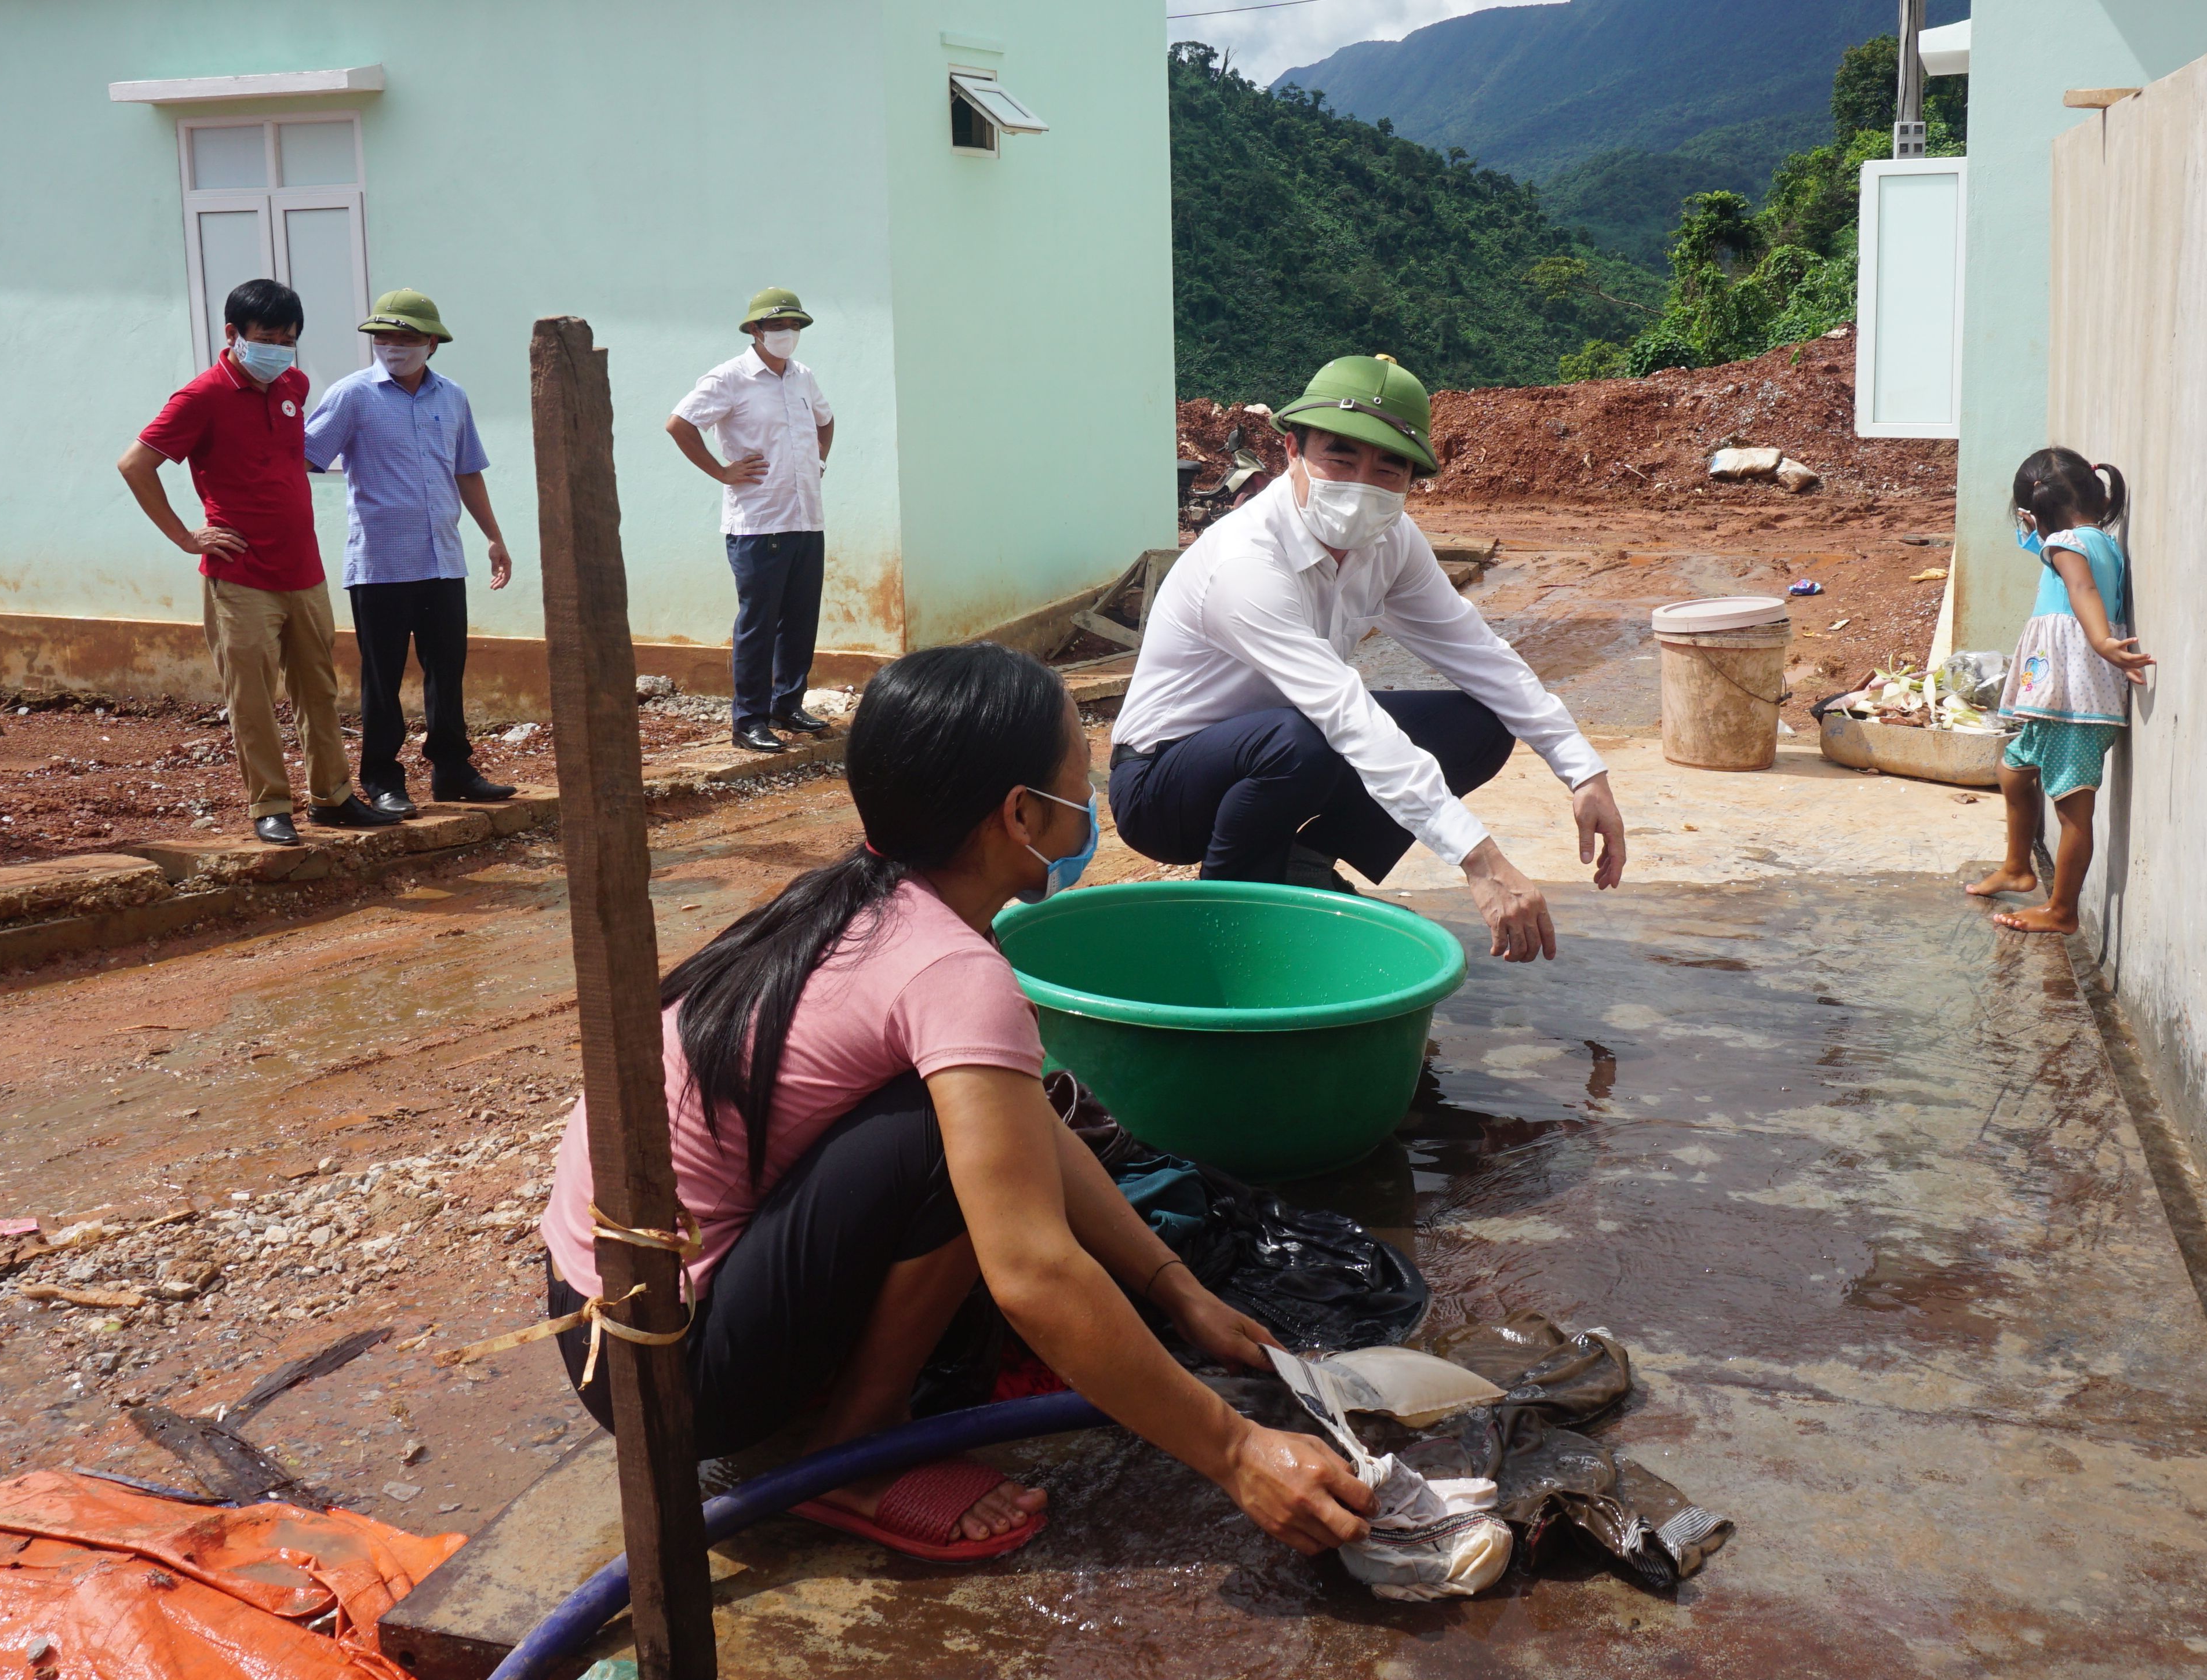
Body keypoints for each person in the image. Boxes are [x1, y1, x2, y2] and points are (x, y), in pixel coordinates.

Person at [538, 643, 1372, 1561]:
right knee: (943, 1140)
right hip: (671, 1376)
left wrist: (1173, 1292)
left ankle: (837, 1398)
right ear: (1018, 815)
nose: (1090, 803)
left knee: (976, 1123)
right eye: (1077, 781)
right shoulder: (951, 967)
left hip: (602, 1318)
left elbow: (1030, 1136)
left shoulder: (856, 897)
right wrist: (1237, 1448)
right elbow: (1032, 1270)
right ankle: (855, 1453)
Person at [1110, 354, 1627, 963]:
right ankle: (1230, 931)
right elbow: (1343, 711)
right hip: (1163, 784)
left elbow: (1477, 652)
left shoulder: (1390, 542)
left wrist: (1583, 770)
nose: (1361, 484)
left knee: (1480, 726)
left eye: (1388, 468)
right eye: (1341, 458)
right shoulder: (1246, 564)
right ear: (1291, 449)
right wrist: (1479, 860)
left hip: (1289, 745)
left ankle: (1301, 868)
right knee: (1302, 739)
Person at [117, 280, 401, 847]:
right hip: (241, 574)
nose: (278, 348)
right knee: (253, 696)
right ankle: (270, 806)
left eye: (288, 338)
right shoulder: (200, 397)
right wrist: (184, 537)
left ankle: (334, 798)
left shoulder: (293, 384)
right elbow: (135, 465)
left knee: (318, 689)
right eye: (266, 338)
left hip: (304, 569)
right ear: (233, 335)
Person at [302, 289, 518, 818]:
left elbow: (467, 470)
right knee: (384, 676)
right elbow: (304, 457)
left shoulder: (453, 397)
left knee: (448, 669)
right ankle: (381, 778)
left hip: (443, 556)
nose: (394, 347)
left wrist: (493, 535)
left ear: (432, 344)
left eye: (406, 338)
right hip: (380, 563)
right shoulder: (353, 395)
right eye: (384, 338)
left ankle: (453, 770)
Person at [1966, 447, 2154, 934]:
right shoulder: (2096, 538)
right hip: (2059, 696)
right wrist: (2038, 529)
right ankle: (2017, 867)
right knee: (2013, 772)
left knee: (2072, 807)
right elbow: (2063, 563)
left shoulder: (2069, 546)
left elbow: (2082, 591)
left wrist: (2100, 640)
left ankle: (2062, 911)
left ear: (2039, 512)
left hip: (2076, 696)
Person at [665, 287, 835, 755]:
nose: (787, 334)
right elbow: (680, 423)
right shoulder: (730, 378)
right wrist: (721, 471)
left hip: (805, 518)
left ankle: (788, 705)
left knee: (800, 620)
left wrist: (819, 461)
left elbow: (826, 419)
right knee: (759, 624)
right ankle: (749, 721)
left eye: (794, 326)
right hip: (759, 524)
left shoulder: (803, 377)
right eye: (777, 326)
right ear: (755, 330)